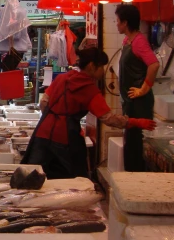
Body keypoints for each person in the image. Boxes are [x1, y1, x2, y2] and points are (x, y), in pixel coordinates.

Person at [22, 48, 156, 179]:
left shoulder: (62, 78)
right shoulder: (89, 89)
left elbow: (44, 102)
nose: (103, 71)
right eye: (101, 67)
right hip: (65, 138)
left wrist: (54, 119)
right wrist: (136, 122)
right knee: (76, 180)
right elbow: (109, 118)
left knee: (31, 176)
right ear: (92, 66)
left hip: (42, 133)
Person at [116, 4, 160, 171]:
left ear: (125, 23)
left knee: (136, 144)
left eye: (118, 21)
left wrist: (144, 88)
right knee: (130, 142)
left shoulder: (139, 41)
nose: (116, 24)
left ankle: (137, 179)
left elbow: (154, 65)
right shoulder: (128, 40)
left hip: (140, 103)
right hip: (130, 102)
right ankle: (130, 178)